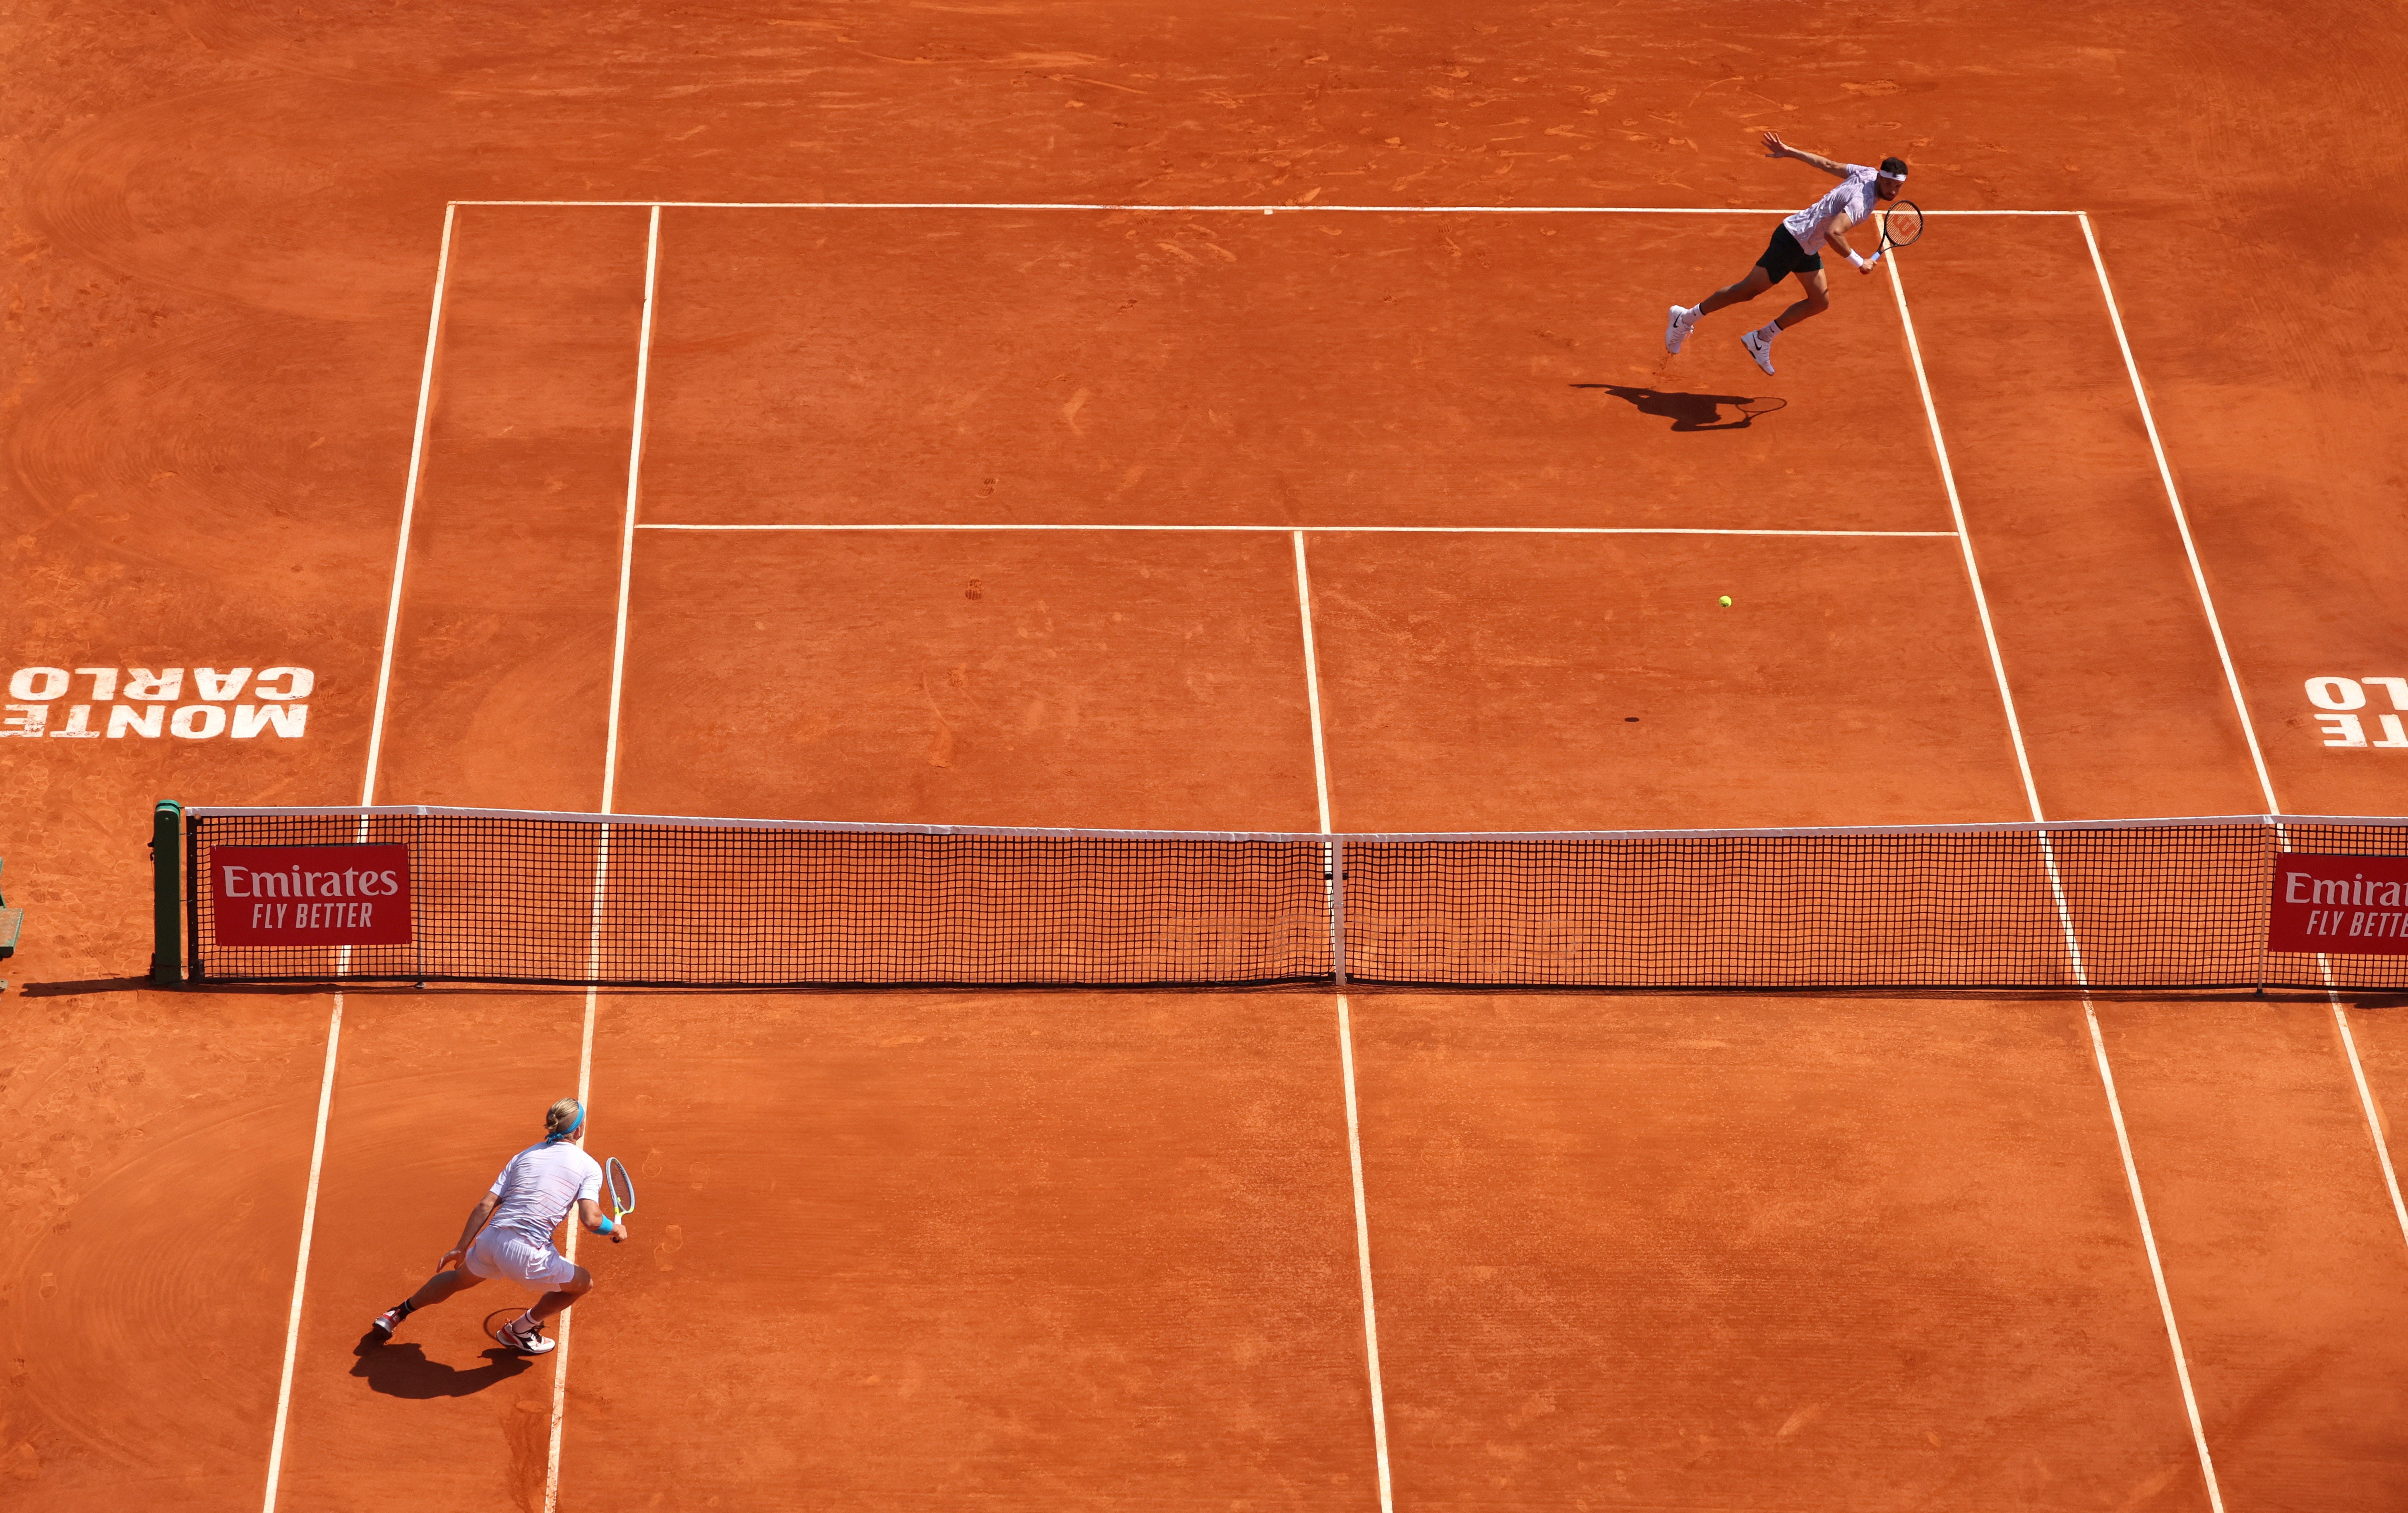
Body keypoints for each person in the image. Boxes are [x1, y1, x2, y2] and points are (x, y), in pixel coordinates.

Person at [369, 1097, 626, 1355]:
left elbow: (486, 1204)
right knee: (583, 1284)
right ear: (579, 1130)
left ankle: (396, 1313)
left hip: (491, 1240)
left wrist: (461, 1248)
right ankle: (521, 1330)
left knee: (459, 1279)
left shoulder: (524, 1156)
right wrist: (615, 1229)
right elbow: (591, 1220)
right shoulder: (589, 1166)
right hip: (527, 1254)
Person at [1664, 132, 1909, 375]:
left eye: (1898, 187)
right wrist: (1859, 262)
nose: (1893, 192)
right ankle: (1685, 319)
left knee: (1819, 301)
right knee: (1747, 291)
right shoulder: (1862, 203)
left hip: (1806, 245)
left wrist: (1790, 152)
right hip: (1792, 241)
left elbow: (1828, 164)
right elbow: (1834, 234)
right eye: (1889, 184)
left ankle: (1761, 338)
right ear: (1880, 177)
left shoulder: (1866, 173)